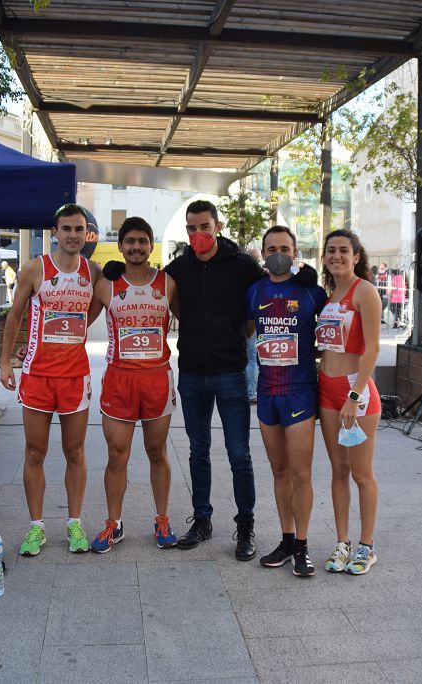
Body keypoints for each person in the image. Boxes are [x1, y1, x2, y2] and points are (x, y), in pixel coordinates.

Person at [0, 204, 103, 557]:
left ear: (86, 233)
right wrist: (5, 364)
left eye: (79, 229)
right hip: (37, 375)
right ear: (55, 232)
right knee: (34, 452)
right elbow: (14, 318)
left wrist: (76, 330)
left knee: (75, 452)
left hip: (74, 377)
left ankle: (74, 523)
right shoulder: (34, 269)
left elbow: (98, 306)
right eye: (66, 229)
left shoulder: (95, 272)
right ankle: (36, 527)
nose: (73, 235)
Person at [162, 199, 263, 560]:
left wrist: (236, 341)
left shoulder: (242, 266)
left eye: (204, 226)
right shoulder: (178, 269)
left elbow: (253, 316)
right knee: (197, 450)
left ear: (217, 226)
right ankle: (202, 520)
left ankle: (245, 526)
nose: (197, 234)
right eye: (191, 228)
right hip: (191, 374)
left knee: (239, 453)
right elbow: (174, 310)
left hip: (231, 373)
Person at [89, 217, 180, 553]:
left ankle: (162, 519)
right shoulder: (105, 285)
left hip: (156, 377)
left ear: (151, 245)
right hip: (119, 379)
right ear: (121, 245)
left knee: (157, 451)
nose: (137, 247)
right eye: (130, 241)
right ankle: (114, 524)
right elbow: (77, 323)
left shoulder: (168, 282)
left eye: (143, 241)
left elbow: (195, 321)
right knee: (117, 455)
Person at [247, 226, 327, 578]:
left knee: (300, 472)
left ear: (296, 252)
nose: (278, 252)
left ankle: (303, 547)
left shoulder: (311, 292)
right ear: (263, 253)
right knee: (279, 470)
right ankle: (285, 537)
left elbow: (336, 325)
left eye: (285, 247)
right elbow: (247, 331)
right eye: (272, 247)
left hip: (300, 392)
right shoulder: (253, 292)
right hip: (267, 393)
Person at [316, 230, 382, 576]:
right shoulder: (330, 296)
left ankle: (366, 545)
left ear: (357, 256)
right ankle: (342, 542)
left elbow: (372, 349)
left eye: (344, 250)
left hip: (354, 392)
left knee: (361, 473)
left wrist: (354, 397)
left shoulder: (365, 291)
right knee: (338, 470)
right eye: (331, 250)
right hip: (325, 389)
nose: (336, 255)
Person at [245, 246, 262, 403]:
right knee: (251, 360)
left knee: (247, 359)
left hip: (241, 324)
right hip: (250, 324)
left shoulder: (239, 275)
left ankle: (249, 391)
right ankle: (251, 393)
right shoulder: (257, 278)